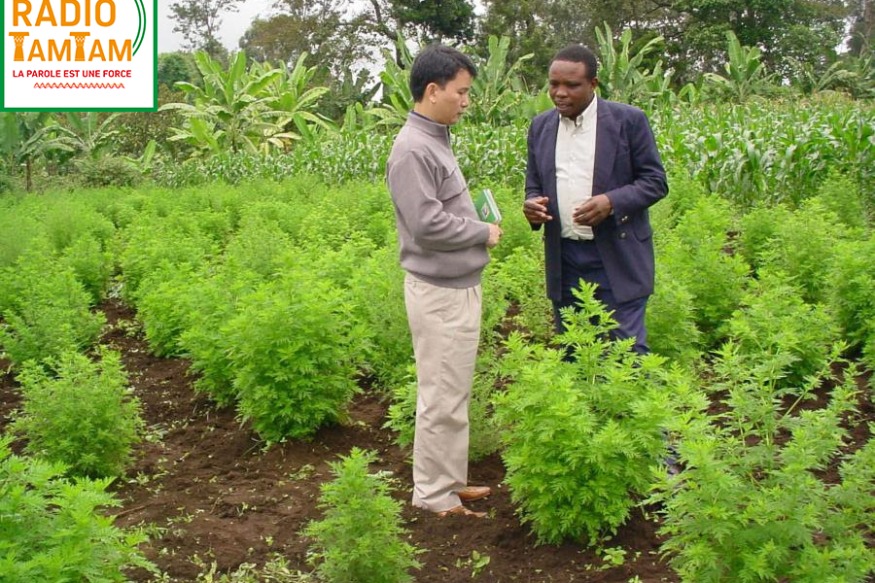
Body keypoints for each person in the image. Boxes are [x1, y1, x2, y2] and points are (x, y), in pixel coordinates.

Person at [386, 44, 502, 518]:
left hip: (455, 288)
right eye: (461, 92)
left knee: (453, 393)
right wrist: (482, 231)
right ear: (432, 91)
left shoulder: (434, 139)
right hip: (439, 295)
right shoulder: (412, 149)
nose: (466, 101)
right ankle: (434, 497)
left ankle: (449, 483)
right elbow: (427, 225)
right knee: (441, 396)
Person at [523, 45, 668, 354]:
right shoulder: (541, 127)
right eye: (554, 84)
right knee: (574, 349)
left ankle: (628, 403)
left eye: (571, 85)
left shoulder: (628, 121)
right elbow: (534, 183)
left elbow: (655, 182)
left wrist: (611, 202)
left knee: (626, 351)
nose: (560, 93)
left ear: (593, 84)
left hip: (616, 253)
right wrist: (533, 204)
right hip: (565, 256)